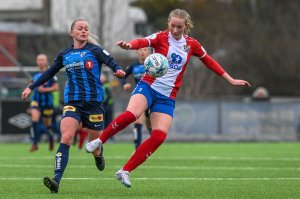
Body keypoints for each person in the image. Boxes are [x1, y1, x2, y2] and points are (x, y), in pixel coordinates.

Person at [86, 9, 250, 188]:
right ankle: (99, 141)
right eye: (172, 25)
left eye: (179, 27)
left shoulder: (192, 44)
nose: (175, 30)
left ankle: (124, 171)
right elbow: (143, 41)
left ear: (186, 26)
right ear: (168, 24)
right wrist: (129, 45)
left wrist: (231, 79)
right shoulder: (161, 37)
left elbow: (209, 61)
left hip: (167, 96)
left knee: (159, 136)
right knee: (132, 115)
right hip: (148, 86)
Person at [22, 19, 125, 193]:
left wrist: (118, 69)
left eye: (86, 29)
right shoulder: (65, 54)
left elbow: (110, 60)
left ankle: (98, 155)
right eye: (80, 28)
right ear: (72, 33)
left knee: (94, 145)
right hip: (73, 103)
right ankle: (56, 180)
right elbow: (49, 72)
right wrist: (31, 87)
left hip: (93, 104)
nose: (84, 31)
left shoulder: (95, 50)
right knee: (67, 136)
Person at [121, 47, 152, 149]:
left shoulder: (154, 64)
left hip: (153, 97)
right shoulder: (134, 66)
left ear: (149, 52)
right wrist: (124, 84)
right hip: (141, 97)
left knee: (150, 126)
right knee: (137, 122)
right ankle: (137, 150)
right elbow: (123, 76)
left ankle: (153, 144)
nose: (143, 52)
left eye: (145, 50)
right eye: (140, 50)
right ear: (137, 52)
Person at [29, 54, 59, 152]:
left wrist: (45, 90)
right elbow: (31, 85)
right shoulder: (35, 74)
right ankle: (35, 143)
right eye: (39, 60)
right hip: (36, 102)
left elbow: (56, 88)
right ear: (37, 62)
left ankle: (51, 138)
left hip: (47, 104)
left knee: (48, 126)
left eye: (42, 60)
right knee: (34, 121)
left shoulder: (51, 74)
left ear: (46, 61)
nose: (40, 61)